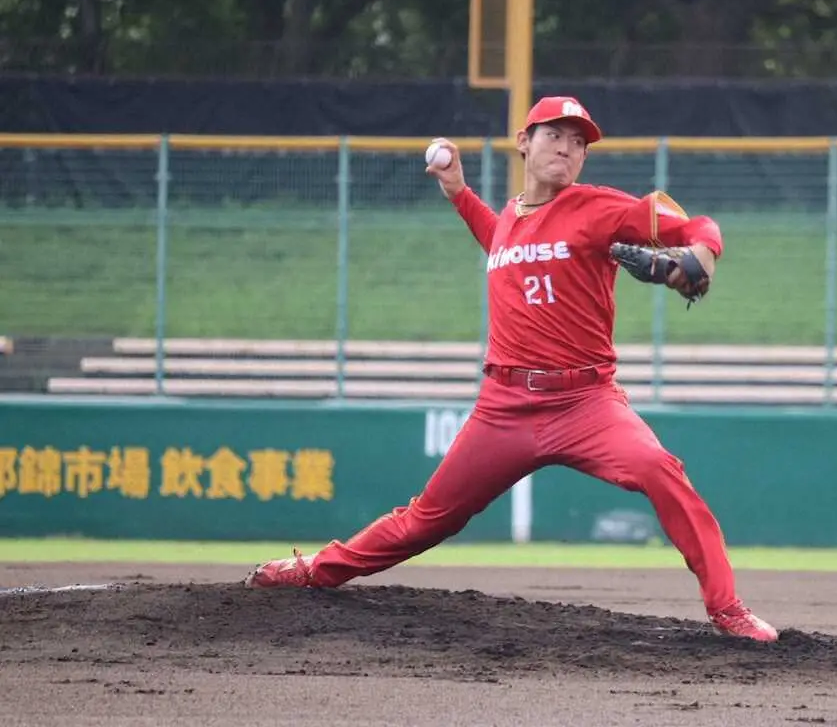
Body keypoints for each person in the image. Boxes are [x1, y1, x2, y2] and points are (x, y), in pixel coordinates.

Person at [245, 95, 779, 643]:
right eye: (555, 135)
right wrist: (457, 190)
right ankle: (315, 570)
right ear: (524, 142)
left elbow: (700, 226)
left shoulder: (598, 208)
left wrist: (701, 256)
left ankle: (728, 609)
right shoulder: (509, 222)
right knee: (427, 518)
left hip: (585, 403)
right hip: (503, 410)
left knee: (661, 471)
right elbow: (497, 234)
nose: (567, 148)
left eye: (578, 142)